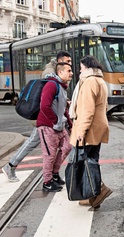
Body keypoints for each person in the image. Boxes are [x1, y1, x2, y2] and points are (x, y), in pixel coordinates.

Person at [1, 51, 71, 182]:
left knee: (61, 146)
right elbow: (47, 99)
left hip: (52, 119)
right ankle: (10, 166)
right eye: (68, 62)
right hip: (45, 119)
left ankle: (53, 174)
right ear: (60, 61)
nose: (70, 67)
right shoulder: (50, 73)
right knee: (32, 144)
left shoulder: (55, 72)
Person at [69, 55, 112, 208]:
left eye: (81, 68)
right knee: (92, 161)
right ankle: (93, 196)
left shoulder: (89, 82)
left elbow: (87, 109)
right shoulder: (100, 80)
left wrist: (81, 130)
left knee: (84, 162)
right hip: (98, 127)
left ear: (86, 67)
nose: (79, 71)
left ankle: (98, 189)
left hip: (89, 130)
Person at [37, 62, 73, 192]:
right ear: (60, 72)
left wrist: (69, 124)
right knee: (49, 155)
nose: (71, 73)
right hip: (48, 126)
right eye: (69, 70)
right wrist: (55, 120)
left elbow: (63, 108)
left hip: (59, 125)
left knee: (67, 146)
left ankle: (55, 174)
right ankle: (47, 182)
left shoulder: (62, 86)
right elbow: (44, 106)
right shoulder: (51, 85)